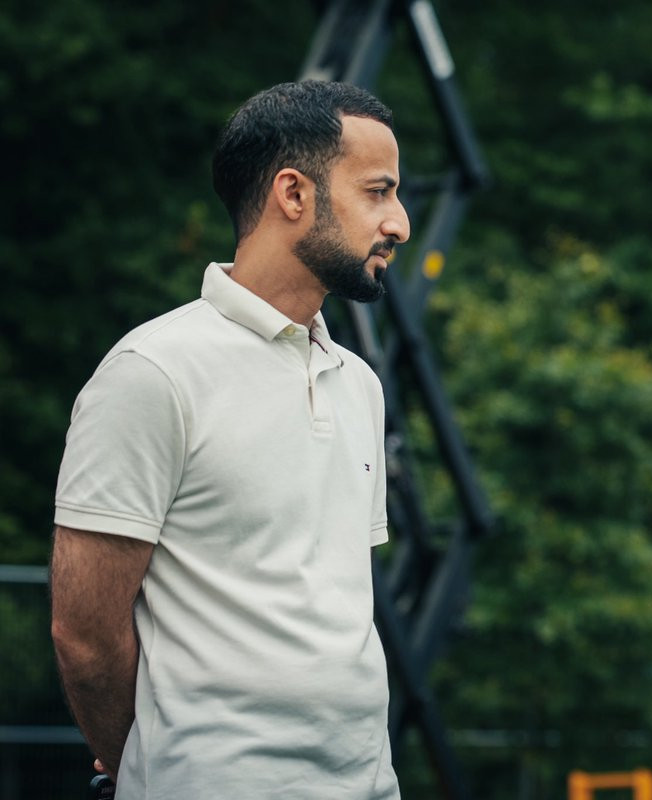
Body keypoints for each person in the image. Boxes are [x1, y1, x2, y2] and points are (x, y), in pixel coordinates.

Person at [50, 80, 410, 798]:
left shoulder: (360, 385)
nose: (398, 223)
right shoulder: (152, 372)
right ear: (293, 193)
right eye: (378, 191)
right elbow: (84, 636)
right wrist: (145, 767)